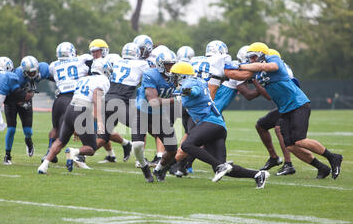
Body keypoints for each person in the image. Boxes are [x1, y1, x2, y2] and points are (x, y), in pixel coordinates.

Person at [227, 42, 343, 179]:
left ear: (262, 54)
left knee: (299, 140)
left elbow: (269, 66)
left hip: (298, 104)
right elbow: (241, 76)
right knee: (290, 146)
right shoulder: (256, 71)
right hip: (285, 109)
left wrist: (240, 66)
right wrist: (223, 71)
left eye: (253, 57)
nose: (251, 60)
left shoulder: (273, 59)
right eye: (249, 58)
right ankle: (322, 168)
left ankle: (333, 157)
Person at [171, 62, 270, 189]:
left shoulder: (190, 83)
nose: (172, 78)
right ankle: (258, 174)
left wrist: (188, 92)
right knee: (222, 166)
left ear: (182, 76)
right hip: (217, 126)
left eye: (175, 76)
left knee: (186, 145)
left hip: (210, 122)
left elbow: (194, 92)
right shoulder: (192, 82)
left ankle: (220, 166)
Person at [37, 57, 111, 174]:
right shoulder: (103, 80)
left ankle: (44, 165)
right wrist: (99, 121)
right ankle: (73, 151)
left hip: (70, 108)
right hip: (82, 110)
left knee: (60, 141)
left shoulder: (84, 79)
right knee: (91, 148)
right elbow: (96, 95)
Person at [95, 42, 150, 162]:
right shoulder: (141, 64)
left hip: (106, 99)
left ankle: (79, 154)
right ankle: (140, 160)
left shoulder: (115, 60)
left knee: (103, 137)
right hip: (118, 101)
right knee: (140, 125)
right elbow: (151, 75)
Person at [132, 49, 179, 183]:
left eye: (173, 64)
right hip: (143, 112)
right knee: (137, 145)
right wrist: (175, 100)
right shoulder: (150, 74)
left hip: (160, 114)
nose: (171, 67)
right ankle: (144, 167)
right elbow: (153, 102)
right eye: (168, 64)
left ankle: (159, 169)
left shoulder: (176, 75)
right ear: (160, 65)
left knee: (172, 149)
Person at [43, 42, 90, 165]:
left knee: (55, 128)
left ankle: (48, 152)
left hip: (59, 99)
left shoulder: (53, 65)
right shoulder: (80, 60)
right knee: (81, 127)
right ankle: (81, 155)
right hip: (73, 98)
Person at [254, 49, 298, 176]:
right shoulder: (278, 67)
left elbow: (268, 95)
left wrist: (255, 80)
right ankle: (274, 158)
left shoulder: (279, 68)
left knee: (280, 129)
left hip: (291, 105)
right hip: (283, 105)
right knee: (261, 125)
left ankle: (288, 164)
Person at [3, 56, 51, 165]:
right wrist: (21, 102)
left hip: (26, 100)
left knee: (28, 131)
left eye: (35, 72)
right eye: (30, 73)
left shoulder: (42, 68)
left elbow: (52, 76)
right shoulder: (17, 77)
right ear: (24, 71)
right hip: (12, 102)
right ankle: (7, 155)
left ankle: (28, 140)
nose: (33, 75)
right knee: (11, 129)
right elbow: (8, 96)